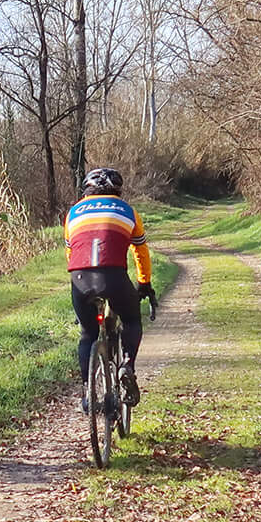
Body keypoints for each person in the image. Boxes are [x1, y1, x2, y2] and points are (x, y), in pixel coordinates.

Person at [66, 168, 157, 408]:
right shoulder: (128, 211)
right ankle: (127, 364)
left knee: (88, 333)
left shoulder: (73, 212)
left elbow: (70, 252)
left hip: (80, 279)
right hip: (114, 277)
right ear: (117, 190)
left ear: (87, 189)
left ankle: (87, 393)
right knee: (131, 320)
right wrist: (144, 283)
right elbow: (140, 251)